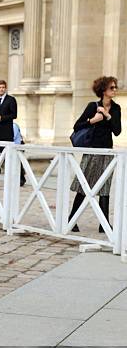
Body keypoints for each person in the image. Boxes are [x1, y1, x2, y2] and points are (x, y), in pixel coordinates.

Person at [68, 76, 121, 233]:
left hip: (107, 151)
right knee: (83, 186)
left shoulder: (116, 108)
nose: (114, 90)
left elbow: (117, 131)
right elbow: (77, 126)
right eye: (112, 88)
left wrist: (108, 115)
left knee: (105, 188)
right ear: (103, 90)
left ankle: (103, 224)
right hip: (92, 151)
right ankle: (72, 219)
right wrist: (93, 120)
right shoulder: (92, 106)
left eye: (115, 87)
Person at [13, 121, 26, 186]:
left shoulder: (14, 125)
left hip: (17, 146)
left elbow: (13, 136)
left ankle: (22, 179)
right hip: (14, 147)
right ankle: (19, 178)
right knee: (15, 164)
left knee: (18, 163)